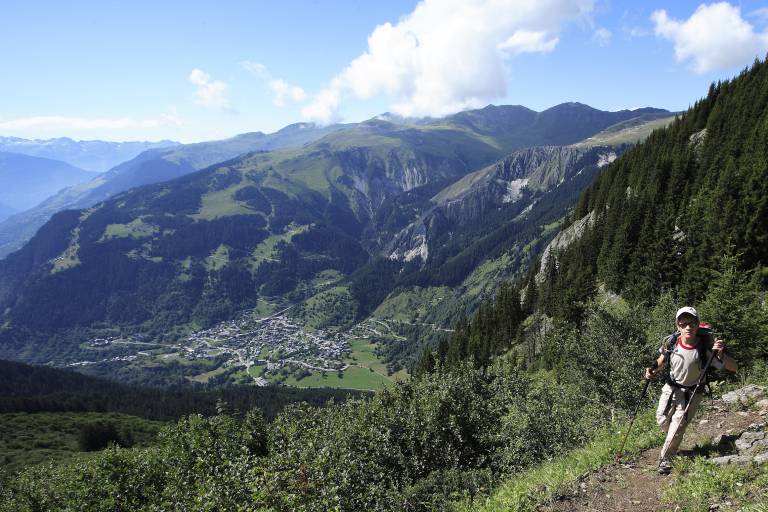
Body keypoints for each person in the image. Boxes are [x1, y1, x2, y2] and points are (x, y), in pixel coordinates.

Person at [644, 306, 737, 474]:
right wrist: (651, 370)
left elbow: (733, 367)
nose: (688, 327)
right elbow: (662, 359)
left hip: (692, 394)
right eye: (684, 323)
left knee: (676, 426)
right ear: (678, 325)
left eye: (692, 323)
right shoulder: (672, 342)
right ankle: (674, 439)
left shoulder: (705, 348)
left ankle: (665, 459)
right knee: (662, 420)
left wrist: (721, 354)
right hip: (671, 388)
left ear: (697, 325)